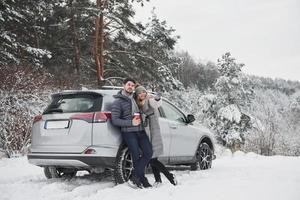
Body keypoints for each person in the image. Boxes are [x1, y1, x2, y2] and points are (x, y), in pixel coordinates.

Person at [111, 78, 153, 188]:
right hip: (129, 132)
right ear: (123, 85)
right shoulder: (118, 102)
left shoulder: (135, 99)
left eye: (132, 85)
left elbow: (145, 105)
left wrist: (150, 99)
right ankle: (141, 179)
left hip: (140, 130)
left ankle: (135, 176)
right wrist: (131, 122)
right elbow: (115, 120)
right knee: (136, 156)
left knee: (148, 152)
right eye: (128, 84)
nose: (130, 87)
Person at [134, 85, 177, 186]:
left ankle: (169, 176)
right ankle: (158, 180)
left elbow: (156, 103)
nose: (142, 94)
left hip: (153, 127)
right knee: (152, 157)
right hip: (145, 128)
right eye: (140, 93)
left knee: (151, 157)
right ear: (137, 95)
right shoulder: (137, 103)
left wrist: (157, 98)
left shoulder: (149, 99)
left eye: (144, 92)